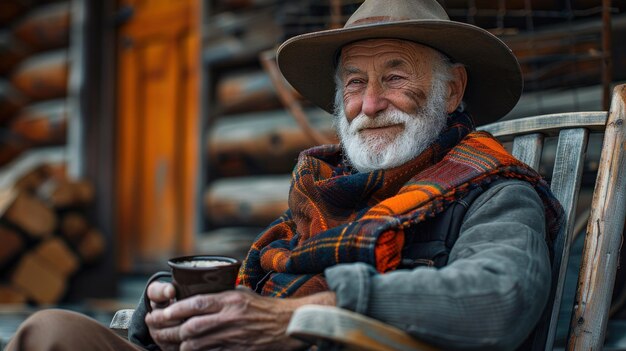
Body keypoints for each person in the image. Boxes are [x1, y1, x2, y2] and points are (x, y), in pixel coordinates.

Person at [6, 0, 564, 350]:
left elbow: (500, 298)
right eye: (352, 83)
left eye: (395, 78)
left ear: (454, 90)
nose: (369, 104)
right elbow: (257, 297)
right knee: (53, 332)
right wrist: (178, 315)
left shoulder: (495, 192)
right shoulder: (326, 192)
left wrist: (301, 317)